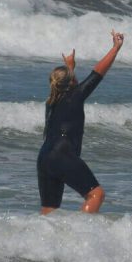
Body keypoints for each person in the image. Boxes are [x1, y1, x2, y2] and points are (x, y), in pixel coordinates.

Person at [36, 30, 124, 215]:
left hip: (44, 158)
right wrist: (115, 48)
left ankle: (42, 242)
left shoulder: (51, 101)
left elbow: (68, 83)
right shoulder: (75, 95)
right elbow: (98, 73)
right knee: (96, 195)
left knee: (49, 210)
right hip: (62, 155)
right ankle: (80, 234)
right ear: (71, 83)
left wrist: (69, 67)